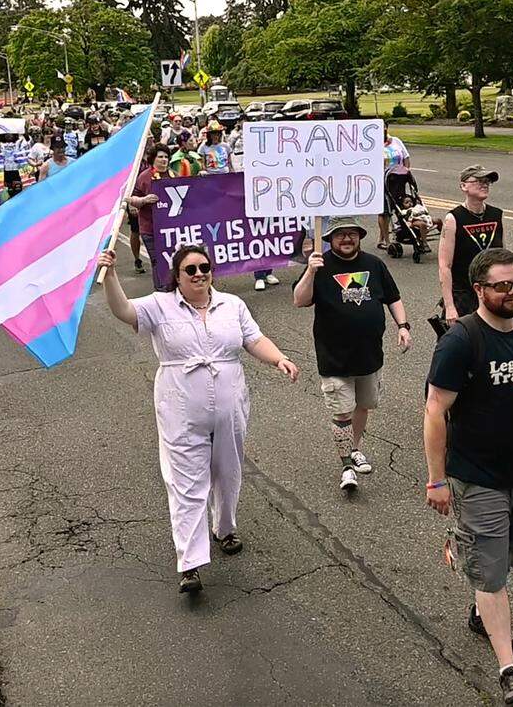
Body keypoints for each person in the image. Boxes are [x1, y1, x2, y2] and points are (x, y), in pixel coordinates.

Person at [97, 244, 300, 593]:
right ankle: (190, 562)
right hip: (180, 408)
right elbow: (124, 311)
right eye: (190, 269)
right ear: (177, 276)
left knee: (228, 468)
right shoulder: (159, 306)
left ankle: (225, 528)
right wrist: (111, 276)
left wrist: (278, 358)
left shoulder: (232, 305)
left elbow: (253, 339)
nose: (199, 274)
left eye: (204, 267)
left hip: (229, 404)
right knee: (186, 481)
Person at [424, 248, 513, 706]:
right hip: (476, 475)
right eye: (503, 285)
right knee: (492, 571)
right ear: (480, 290)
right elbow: (435, 410)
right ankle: (508, 667)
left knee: (510, 554)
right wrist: (437, 480)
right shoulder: (461, 340)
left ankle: (481, 599)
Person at [292, 216, 412, 491]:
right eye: (340, 235)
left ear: (359, 236)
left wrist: (403, 326)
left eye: (352, 234)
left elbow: (392, 297)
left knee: (363, 405)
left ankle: (355, 448)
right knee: (342, 412)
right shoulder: (321, 266)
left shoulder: (374, 264)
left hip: (369, 355)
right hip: (335, 357)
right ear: (330, 239)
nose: (347, 239)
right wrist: (310, 271)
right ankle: (347, 465)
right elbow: (299, 300)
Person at [439, 165, 504, 324]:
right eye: (479, 180)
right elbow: (444, 265)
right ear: (464, 186)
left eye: (487, 181)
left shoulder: (496, 215)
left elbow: (503, 258)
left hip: (492, 293)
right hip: (464, 295)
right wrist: (450, 306)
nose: (485, 184)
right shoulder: (453, 219)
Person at [125, 142, 173, 274]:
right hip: (150, 229)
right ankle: (161, 291)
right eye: (160, 157)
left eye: (166, 157)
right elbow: (129, 198)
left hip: (170, 228)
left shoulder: (174, 174)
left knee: (173, 262)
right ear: (153, 159)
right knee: (158, 263)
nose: (164, 160)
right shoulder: (144, 177)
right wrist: (144, 200)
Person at [379, 127, 412, 249]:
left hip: (399, 180)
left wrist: (406, 170)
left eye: (384, 128)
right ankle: (385, 240)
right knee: (385, 211)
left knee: (399, 206)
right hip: (383, 181)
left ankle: (401, 231)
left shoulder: (396, 141)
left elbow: (406, 157)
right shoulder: (374, 144)